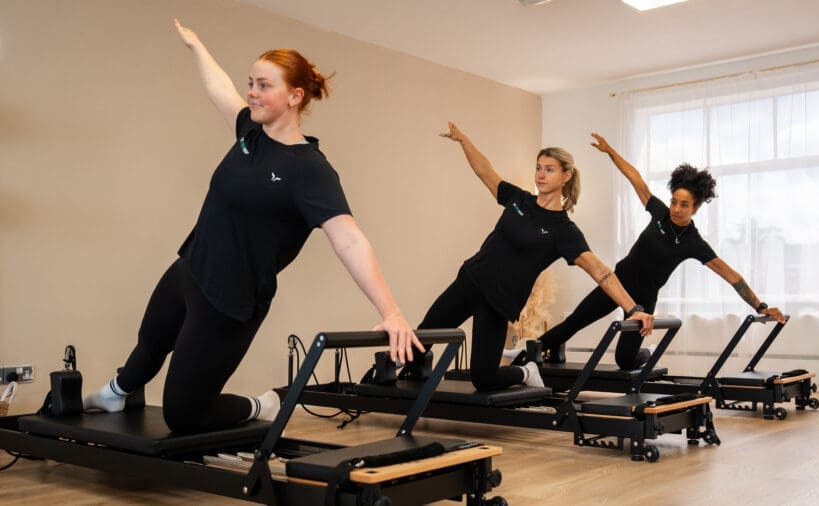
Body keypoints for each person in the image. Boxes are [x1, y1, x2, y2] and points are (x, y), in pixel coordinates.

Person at [83, 20, 422, 433]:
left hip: (231, 301)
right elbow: (219, 89)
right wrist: (196, 45)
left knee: (184, 415)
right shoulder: (250, 133)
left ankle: (261, 404)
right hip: (189, 268)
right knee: (149, 346)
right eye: (251, 83)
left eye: (264, 85)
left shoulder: (310, 170)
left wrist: (391, 312)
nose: (252, 93)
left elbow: (348, 239)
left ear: (295, 96)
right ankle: (116, 393)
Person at [406, 123, 654, 391]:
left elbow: (600, 271)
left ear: (566, 175)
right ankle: (411, 371)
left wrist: (633, 309)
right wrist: (463, 139)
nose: (541, 175)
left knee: (485, 380)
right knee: (420, 339)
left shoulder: (564, 231)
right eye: (538, 168)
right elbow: (484, 171)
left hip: (497, 303)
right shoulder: (518, 200)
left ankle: (526, 372)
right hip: (469, 283)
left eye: (549, 169)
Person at [534, 133, 785, 370]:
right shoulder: (659, 214)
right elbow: (634, 177)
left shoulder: (694, 243)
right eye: (674, 201)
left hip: (643, 300)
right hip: (618, 284)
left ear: (695, 208)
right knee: (575, 321)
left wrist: (760, 306)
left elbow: (732, 276)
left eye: (684, 205)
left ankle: (649, 353)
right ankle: (532, 353)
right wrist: (609, 151)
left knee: (625, 360)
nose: (676, 208)